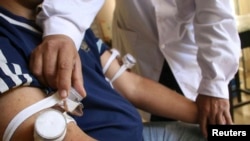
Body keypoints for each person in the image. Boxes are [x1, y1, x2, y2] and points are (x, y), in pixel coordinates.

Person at [0, 0, 207, 141]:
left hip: (138, 133)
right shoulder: (6, 36)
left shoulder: (67, 21)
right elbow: (34, 129)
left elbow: (133, 86)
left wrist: (208, 116)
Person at [111, 0, 241, 137]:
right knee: (161, 124)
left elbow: (215, 12)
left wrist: (215, 83)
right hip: (140, 45)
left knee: (212, 124)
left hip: (194, 55)